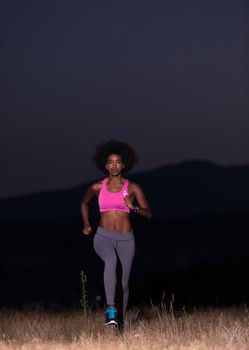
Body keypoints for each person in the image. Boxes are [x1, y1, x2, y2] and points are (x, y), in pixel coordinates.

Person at [80, 140, 152, 327]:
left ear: (124, 165)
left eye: (117, 162)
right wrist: (87, 224)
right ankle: (111, 309)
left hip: (126, 239)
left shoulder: (133, 188)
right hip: (103, 237)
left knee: (124, 283)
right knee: (111, 261)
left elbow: (148, 213)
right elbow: (83, 203)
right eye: (110, 162)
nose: (114, 165)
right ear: (105, 166)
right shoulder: (97, 187)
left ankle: (120, 322)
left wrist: (134, 207)